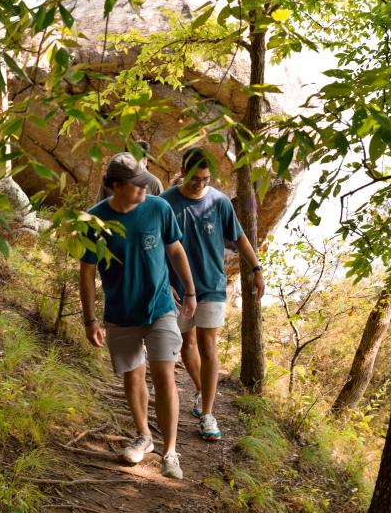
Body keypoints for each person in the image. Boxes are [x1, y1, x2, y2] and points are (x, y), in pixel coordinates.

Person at [79, 152, 197, 480]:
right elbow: (87, 272)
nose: (145, 189)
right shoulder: (94, 221)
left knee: (164, 376)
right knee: (133, 375)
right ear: (116, 186)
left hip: (159, 308)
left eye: (146, 182)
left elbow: (175, 249)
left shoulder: (158, 208)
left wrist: (189, 290)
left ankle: (170, 451)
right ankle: (144, 435)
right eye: (137, 185)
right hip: (120, 313)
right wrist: (90, 319)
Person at [160, 148, 265, 441]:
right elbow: (154, 243)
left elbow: (240, 236)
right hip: (176, 287)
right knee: (186, 343)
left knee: (208, 345)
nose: (200, 184)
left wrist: (256, 268)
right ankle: (199, 389)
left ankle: (207, 413)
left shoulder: (218, 202)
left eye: (205, 179)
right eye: (195, 179)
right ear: (183, 171)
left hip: (211, 285)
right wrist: (162, 280)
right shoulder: (166, 202)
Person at [95, 140, 163, 202]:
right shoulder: (111, 178)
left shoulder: (154, 183)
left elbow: (163, 209)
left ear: (146, 160)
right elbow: (98, 206)